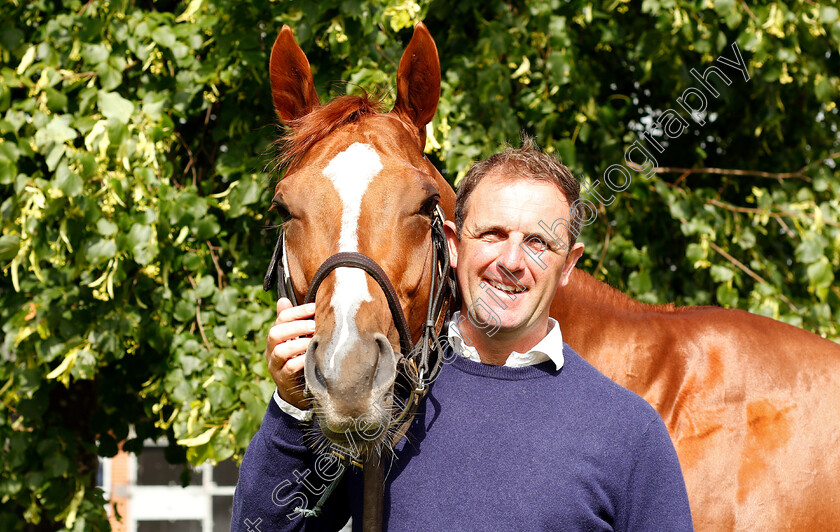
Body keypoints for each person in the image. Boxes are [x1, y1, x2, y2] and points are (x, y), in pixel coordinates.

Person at [232, 138, 694, 531]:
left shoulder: (629, 432)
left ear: (569, 264)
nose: (512, 262)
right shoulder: (379, 396)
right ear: (452, 245)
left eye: (538, 242)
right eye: (491, 234)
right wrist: (292, 408)